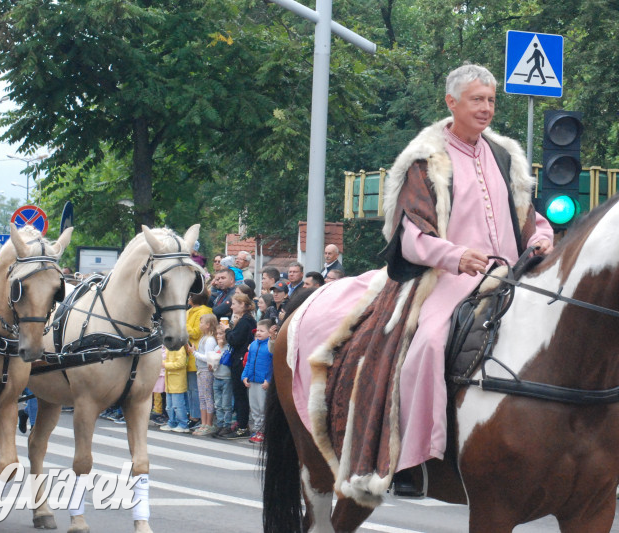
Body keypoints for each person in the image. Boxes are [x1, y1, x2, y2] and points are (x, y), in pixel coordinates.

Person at [301, 63, 554, 494]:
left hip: (509, 274)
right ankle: (410, 461)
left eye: (491, 100)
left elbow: (528, 216)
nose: (487, 108)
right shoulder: (425, 160)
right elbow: (413, 235)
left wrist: (545, 236)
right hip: (444, 277)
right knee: (429, 341)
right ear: (451, 102)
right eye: (478, 99)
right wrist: (456, 256)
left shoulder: (504, 155)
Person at [219, 293, 255, 439]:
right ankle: (240, 423)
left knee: (240, 395)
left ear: (242, 305)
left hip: (240, 360)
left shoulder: (246, 321)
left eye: (234, 304)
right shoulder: (245, 320)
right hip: (239, 359)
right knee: (239, 395)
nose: (232, 307)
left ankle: (242, 426)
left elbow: (235, 340)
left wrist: (227, 330)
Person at [242, 319, 274, 444]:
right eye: (258, 330)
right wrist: (244, 376)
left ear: (269, 332)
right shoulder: (254, 344)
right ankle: (257, 429)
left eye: (262, 331)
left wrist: (269, 380)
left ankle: (263, 431)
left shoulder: (270, 346)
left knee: (262, 408)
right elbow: (249, 362)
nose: (259, 333)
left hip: (263, 382)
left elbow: (272, 365)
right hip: (252, 380)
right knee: (254, 407)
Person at [185, 292, 212, 429]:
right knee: (190, 389)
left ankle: (197, 417)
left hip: (197, 353)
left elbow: (196, 332)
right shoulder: (189, 311)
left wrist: (183, 323)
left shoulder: (204, 311)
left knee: (197, 389)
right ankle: (192, 413)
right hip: (189, 353)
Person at [190, 312, 220, 436]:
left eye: (201, 322)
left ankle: (209, 423)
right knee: (202, 397)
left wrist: (194, 353)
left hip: (206, 371)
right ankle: (204, 423)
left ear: (208, 325)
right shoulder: (203, 338)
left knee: (208, 397)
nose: (200, 325)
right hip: (200, 370)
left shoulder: (210, 340)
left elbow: (208, 357)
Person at [161, 344, 191, 433]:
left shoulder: (179, 347)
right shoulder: (169, 348)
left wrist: (165, 365)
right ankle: (172, 422)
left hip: (177, 380)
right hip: (169, 381)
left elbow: (181, 363)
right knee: (169, 406)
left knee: (178, 405)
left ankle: (183, 424)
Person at [209, 326, 233, 436]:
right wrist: (210, 366)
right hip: (216, 376)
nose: (219, 336)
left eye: (221, 333)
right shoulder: (215, 348)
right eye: (217, 334)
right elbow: (212, 362)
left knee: (226, 404)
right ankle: (219, 424)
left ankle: (226, 425)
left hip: (226, 378)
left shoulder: (229, 347)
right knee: (218, 403)